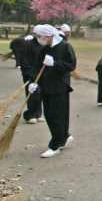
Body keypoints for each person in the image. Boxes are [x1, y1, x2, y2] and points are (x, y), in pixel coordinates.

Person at [26, 24, 77, 158]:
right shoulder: (45, 49)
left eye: (40, 36)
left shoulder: (65, 47)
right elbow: (38, 67)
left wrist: (55, 63)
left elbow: (71, 66)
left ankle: (55, 145)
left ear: (49, 36)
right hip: (46, 86)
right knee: (50, 115)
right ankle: (64, 137)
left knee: (57, 116)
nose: (38, 39)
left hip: (60, 87)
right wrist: (33, 82)